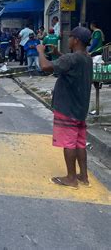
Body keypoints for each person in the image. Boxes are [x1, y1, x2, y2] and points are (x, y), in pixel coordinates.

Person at [37, 26, 93, 189]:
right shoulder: (86, 58)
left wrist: (40, 51)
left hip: (67, 108)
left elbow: (45, 67)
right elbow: (68, 65)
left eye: (70, 37)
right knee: (80, 143)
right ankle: (83, 175)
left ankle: (71, 178)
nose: (67, 40)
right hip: (80, 109)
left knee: (68, 143)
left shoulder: (71, 58)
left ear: (75, 40)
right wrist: (57, 54)